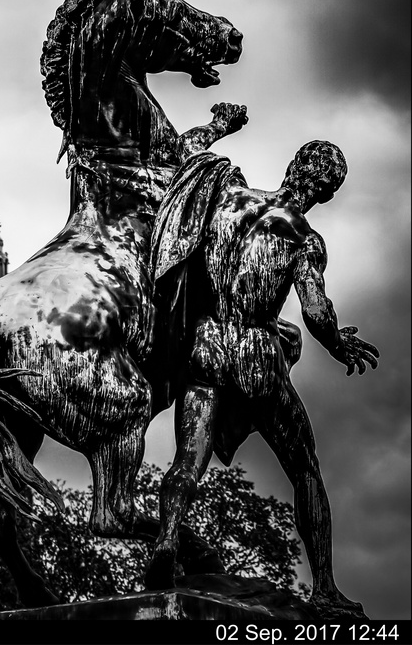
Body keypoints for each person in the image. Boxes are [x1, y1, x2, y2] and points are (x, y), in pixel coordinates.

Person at [145, 140, 379, 616]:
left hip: (206, 347)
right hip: (254, 357)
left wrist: (216, 130)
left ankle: (165, 542)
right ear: (327, 192)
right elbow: (315, 312)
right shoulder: (303, 239)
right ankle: (326, 591)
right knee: (305, 467)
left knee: (188, 460)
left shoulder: (229, 199)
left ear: (292, 166)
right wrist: (339, 344)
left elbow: (180, 164)